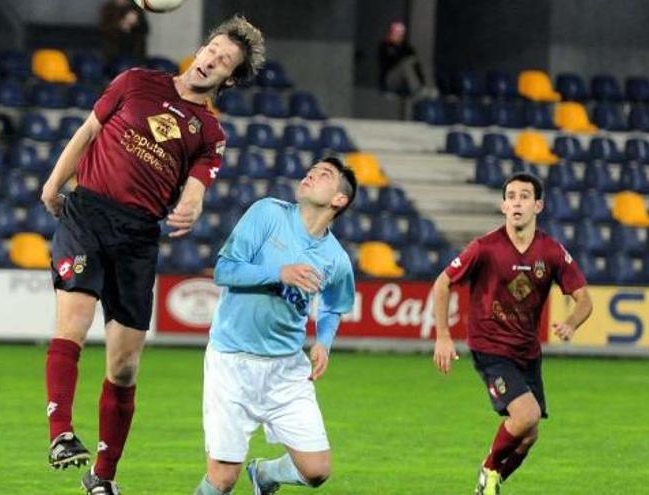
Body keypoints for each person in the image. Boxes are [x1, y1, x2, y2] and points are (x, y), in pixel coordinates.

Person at [40, 15, 265, 495]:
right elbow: (87, 132)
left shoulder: (209, 132)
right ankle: (60, 432)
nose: (213, 59)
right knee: (72, 326)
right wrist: (54, 183)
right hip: (87, 215)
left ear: (229, 78)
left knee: (123, 367)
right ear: (201, 49)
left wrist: (189, 205)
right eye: (213, 49)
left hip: (139, 237)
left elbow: (198, 187)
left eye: (225, 60)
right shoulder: (136, 81)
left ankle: (102, 477)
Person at [193, 157, 358, 495]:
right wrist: (277, 273)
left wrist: (323, 342)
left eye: (324, 174)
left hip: (286, 369)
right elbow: (224, 270)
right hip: (232, 362)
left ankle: (265, 475)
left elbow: (334, 306)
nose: (311, 173)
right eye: (311, 169)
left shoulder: (336, 259)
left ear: (339, 199)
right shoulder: (268, 213)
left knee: (316, 471)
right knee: (223, 479)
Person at [432, 173, 593, 495]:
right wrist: (443, 335)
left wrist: (572, 322)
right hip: (490, 347)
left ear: (538, 205)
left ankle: (489, 483)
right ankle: (489, 468)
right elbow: (442, 283)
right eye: (511, 196)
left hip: (527, 352)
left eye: (524, 196)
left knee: (530, 433)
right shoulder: (485, 248)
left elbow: (584, 299)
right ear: (504, 205)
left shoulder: (550, 252)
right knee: (526, 415)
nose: (517, 202)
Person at [377, 21, 425, 96]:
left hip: (404, 82)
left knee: (411, 62)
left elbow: (415, 63)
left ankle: (421, 87)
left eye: (400, 32)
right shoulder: (385, 46)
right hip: (390, 79)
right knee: (406, 64)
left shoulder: (407, 48)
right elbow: (385, 64)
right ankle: (417, 90)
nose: (398, 34)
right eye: (396, 32)